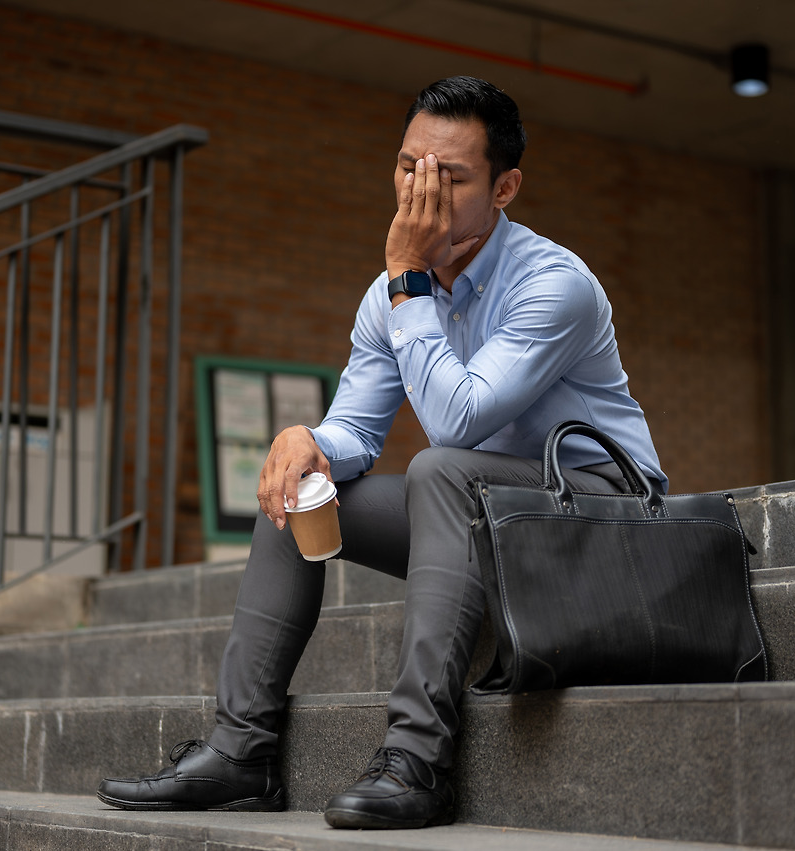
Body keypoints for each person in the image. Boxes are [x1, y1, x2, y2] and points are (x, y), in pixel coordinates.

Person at [97, 75, 666, 830]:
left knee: (442, 468)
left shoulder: (553, 283)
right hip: (481, 513)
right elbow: (357, 435)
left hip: (601, 512)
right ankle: (243, 749)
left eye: (450, 175)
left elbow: (457, 421)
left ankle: (418, 759)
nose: (419, 190)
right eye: (407, 166)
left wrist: (408, 283)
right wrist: (308, 441)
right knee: (300, 488)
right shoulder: (393, 292)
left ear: (506, 188)